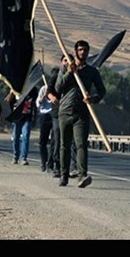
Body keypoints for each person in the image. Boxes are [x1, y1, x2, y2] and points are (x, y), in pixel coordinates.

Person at [55, 40, 106, 188]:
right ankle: (64, 176)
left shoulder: (92, 71)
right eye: (80, 50)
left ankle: (82, 175)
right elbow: (58, 88)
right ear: (76, 51)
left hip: (82, 113)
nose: (83, 52)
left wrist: (93, 99)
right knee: (64, 145)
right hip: (65, 111)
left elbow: (102, 91)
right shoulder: (65, 68)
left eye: (85, 50)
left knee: (81, 145)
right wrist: (69, 73)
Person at [6, 86, 37, 165]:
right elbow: (9, 100)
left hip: (27, 117)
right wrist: (11, 91)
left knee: (25, 137)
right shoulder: (15, 90)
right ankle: (15, 156)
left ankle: (23, 158)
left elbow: (34, 103)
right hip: (17, 118)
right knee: (16, 137)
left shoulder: (32, 90)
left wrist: (34, 118)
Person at [36, 76, 56, 173]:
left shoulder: (58, 88)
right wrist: (45, 95)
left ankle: (50, 164)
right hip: (44, 115)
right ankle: (43, 162)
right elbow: (38, 103)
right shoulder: (44, 89)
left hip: (55, 115)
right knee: (42, 141)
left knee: (54, 141)